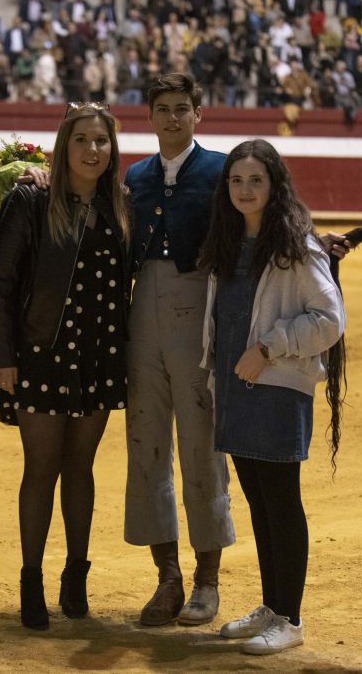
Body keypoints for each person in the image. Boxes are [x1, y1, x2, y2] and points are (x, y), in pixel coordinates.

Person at [0, 103, 131, 631]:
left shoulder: (122, 204)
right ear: (64, 145)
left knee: (81, 468)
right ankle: (31, 581)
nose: (93, 150)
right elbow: (1, 284)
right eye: (82, 140)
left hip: (99, 354)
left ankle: (75, 575)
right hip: (40, 353)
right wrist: (3, 356)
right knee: (41, 468)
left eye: (102, 141)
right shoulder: (32, 199)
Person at [199, 139, 345, 655]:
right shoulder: (229, 240)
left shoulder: (297, 246)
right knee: (259, 503)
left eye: (255, 180)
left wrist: (269, 346)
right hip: (235, 387)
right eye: (236, 180)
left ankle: (292, 618)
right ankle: (272, 605)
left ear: (274, 184)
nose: (244, 189)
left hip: (277, 387)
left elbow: (329, 321)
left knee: (281, 503)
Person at [122, 72, 235, 628]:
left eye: (182, 108)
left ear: (198, 113)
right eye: (162, 108)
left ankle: (207, 580)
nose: (172, 117)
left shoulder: (220, 171)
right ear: (149, 116)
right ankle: (167, 577)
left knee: (202, 441)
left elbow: (260, 220)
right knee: (145, 439)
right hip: (142, 308)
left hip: (199, 306)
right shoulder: (134, 176)